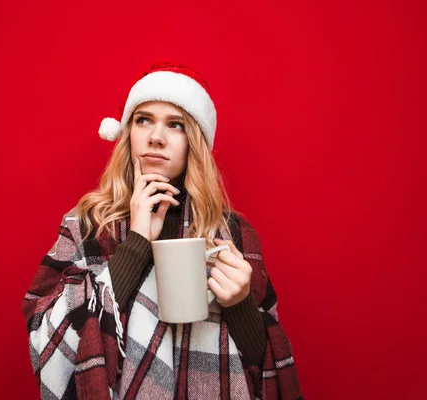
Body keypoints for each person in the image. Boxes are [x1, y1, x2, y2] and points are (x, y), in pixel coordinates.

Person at [22, 61, 302, 399]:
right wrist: (136, 244)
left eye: (175, 124)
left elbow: (267, 369)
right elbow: (45, 342)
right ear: (128, 134)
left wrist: (241, 304)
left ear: (194, 142)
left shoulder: (235, 235)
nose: (156, 138)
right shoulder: (87, 224)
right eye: (144, 120)